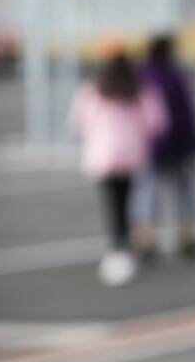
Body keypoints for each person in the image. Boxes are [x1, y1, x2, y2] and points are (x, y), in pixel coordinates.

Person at [70, 45, 166, 287]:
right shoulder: (140, 89)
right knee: (131, 200)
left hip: (103, 156)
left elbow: (79, 120)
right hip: (132, 155)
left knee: (113, 204)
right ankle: (130, 243)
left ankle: (117, 246)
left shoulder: (94, 89)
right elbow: (157, 122)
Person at [133, 34, 195, 259]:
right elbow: (187, 113)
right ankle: (188, 234)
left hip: (150, 142)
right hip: (177, 142)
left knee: (148, 189)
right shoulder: (176, 75)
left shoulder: (142, 75)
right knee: (183, 189)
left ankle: (146, 235)